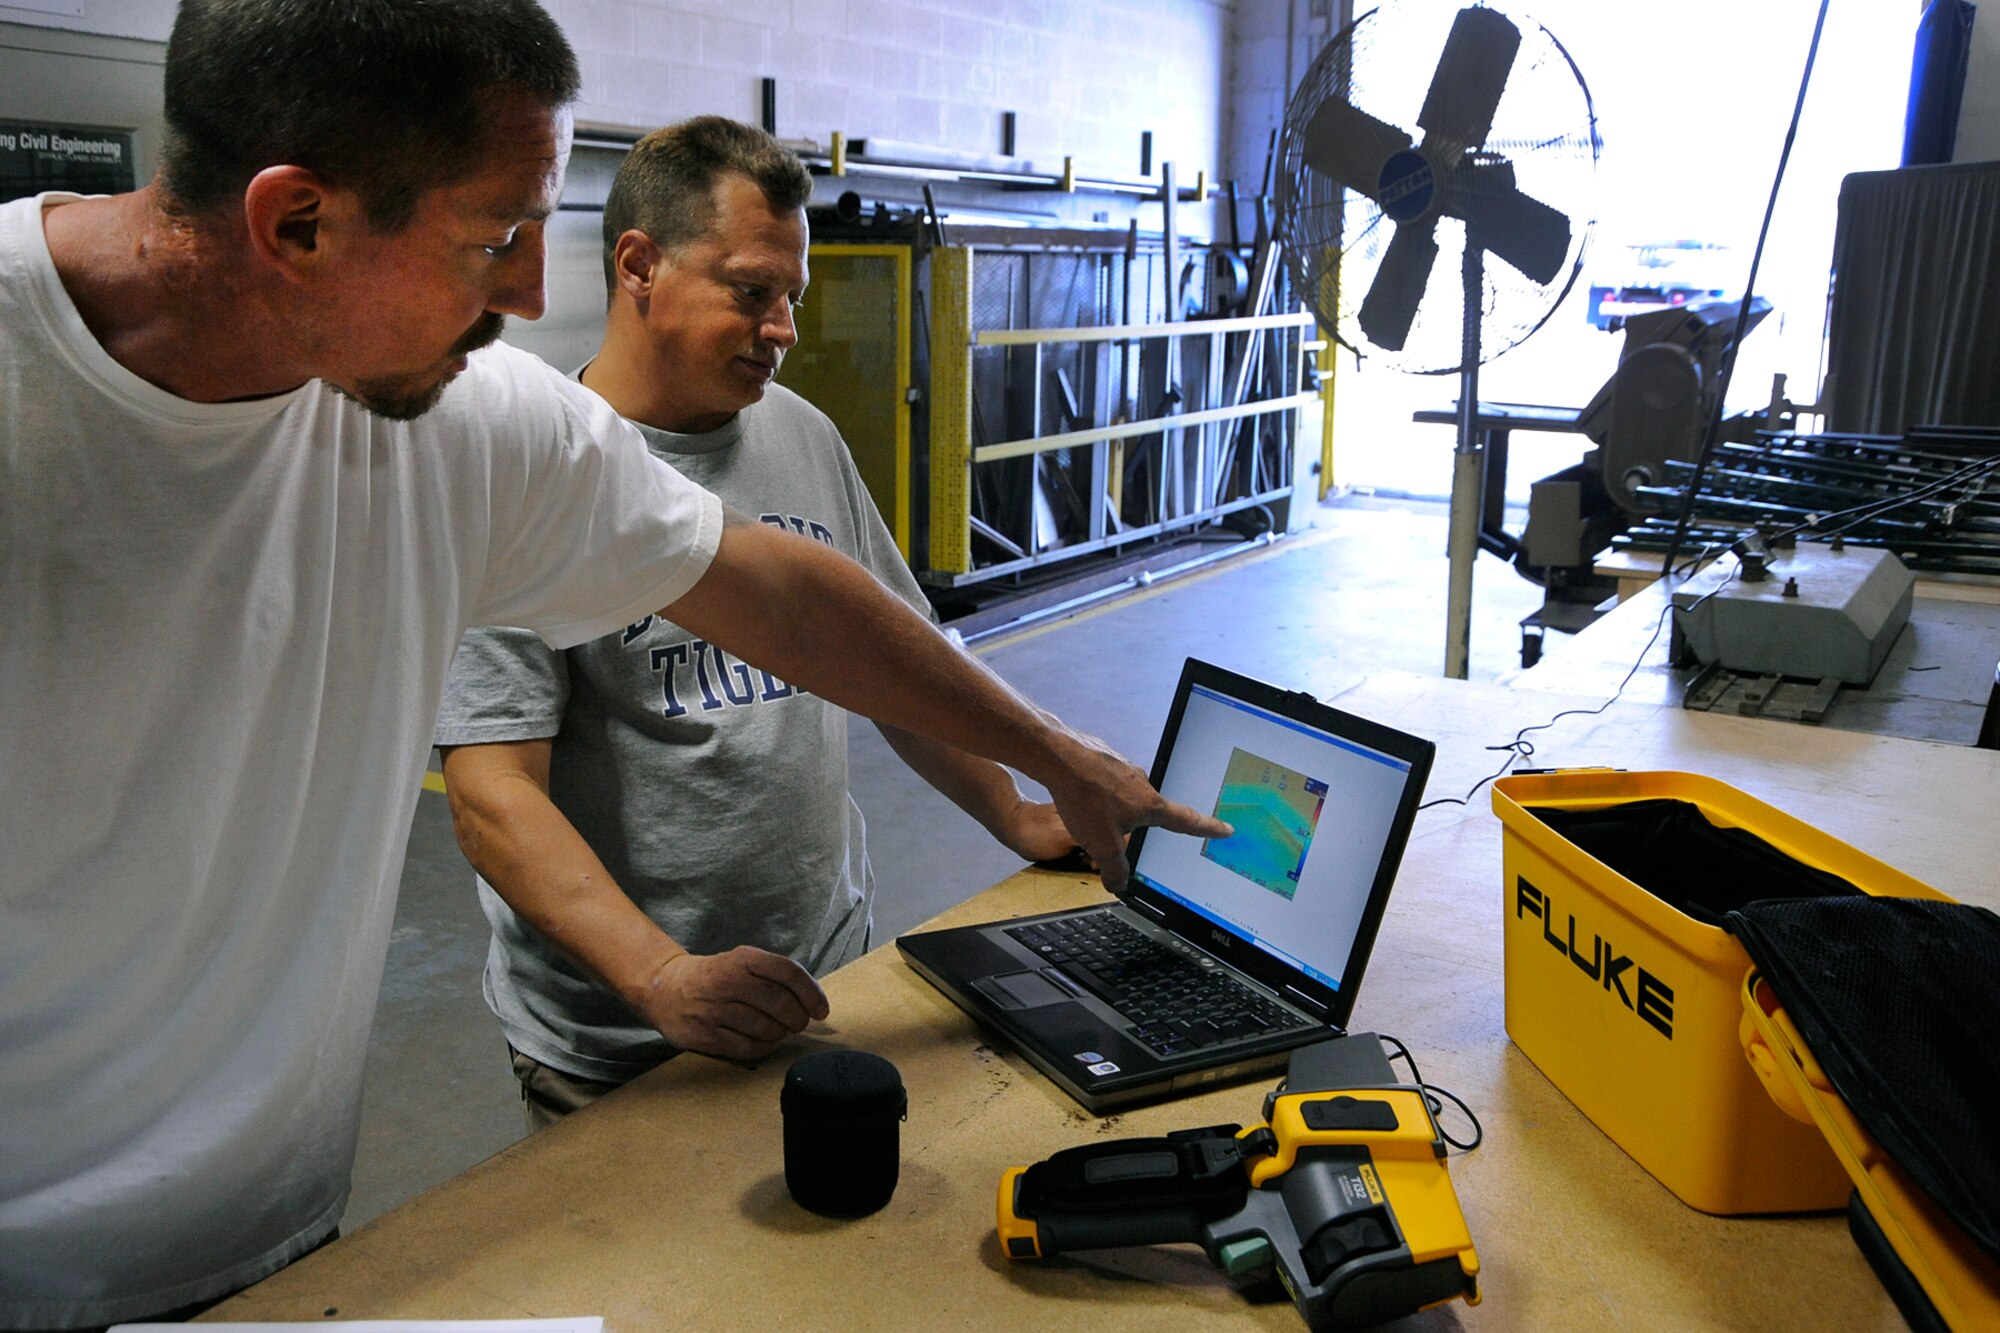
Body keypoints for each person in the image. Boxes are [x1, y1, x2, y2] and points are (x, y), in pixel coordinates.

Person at [0, 3, 1225, 1327]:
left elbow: (790, 600)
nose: (530, 293)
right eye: (494, 238)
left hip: (284, 1239)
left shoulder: (471, 425)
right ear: (297, 222)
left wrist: (1061, 760)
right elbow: (496, 789)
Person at [434, 117, 1080, 1127]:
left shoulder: (802, 436)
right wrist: (658, 975)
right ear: (639, 266)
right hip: (623, 1041)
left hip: (824, 987)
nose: (780, 326)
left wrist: (1013, 810)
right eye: (749, 291)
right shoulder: (530, 478)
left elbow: (896, 670)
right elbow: (491, 793)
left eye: (791, 297)